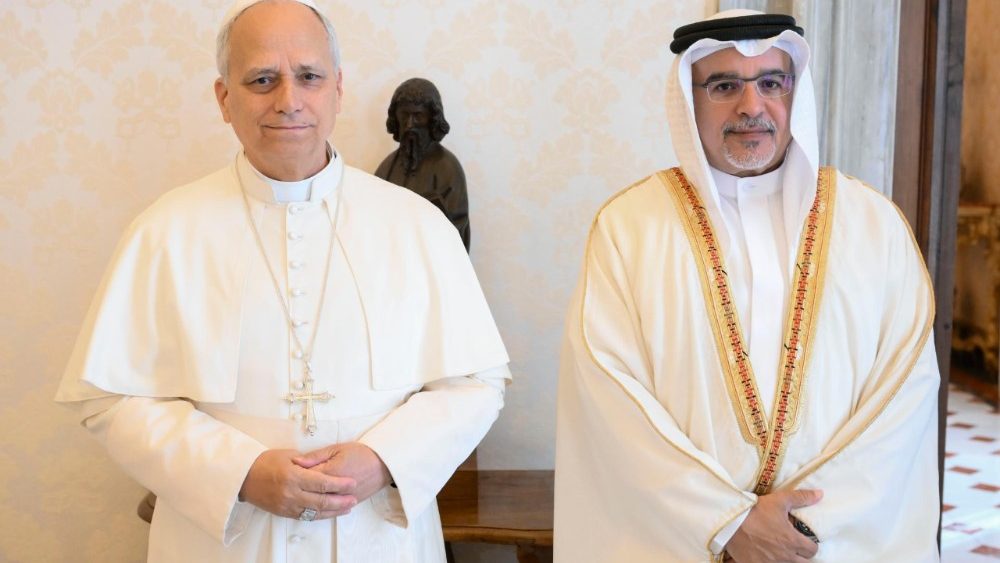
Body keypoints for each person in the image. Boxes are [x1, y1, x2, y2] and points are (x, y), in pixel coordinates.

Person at [54, 1, 510, 561]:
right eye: (262, 79)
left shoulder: (416, 224)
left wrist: (384, 459)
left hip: (378, 539)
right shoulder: (166, 230)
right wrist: (239, 471)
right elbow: (109, 397)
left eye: (309, 77)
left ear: (337, 89)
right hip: (223, 542)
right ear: (225, 99)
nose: (288, 100)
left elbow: (477, 382)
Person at [554, 9, 939, 563]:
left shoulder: (874, 226)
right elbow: (608, 397)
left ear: (793, 94)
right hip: (680, 542)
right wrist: (724, 523)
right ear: (690, 101)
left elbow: (906, 395)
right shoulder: (629, 229)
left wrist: (802, 530)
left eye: (770, 83)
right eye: (725, 85)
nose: (751, 106)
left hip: (829, 548)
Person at [375, 78, 471, 251]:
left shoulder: (448, 169)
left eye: (418, 116)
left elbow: (457, 231)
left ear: (432, 119)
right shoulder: (386, 168)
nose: (410, 124)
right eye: (405, 115)